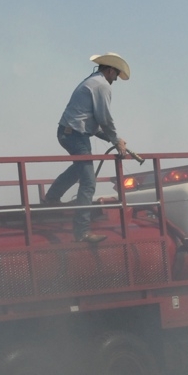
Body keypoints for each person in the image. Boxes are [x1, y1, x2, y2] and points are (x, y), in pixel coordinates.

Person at [43, 52, 131, 243]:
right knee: (89, 182)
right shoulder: (102, 85)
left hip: (68, 132)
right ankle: (82, 231)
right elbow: (104, 119)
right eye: (115, 75)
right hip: (75, 134)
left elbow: (92, 122)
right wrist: (116, 140)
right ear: (110, 70)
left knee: (79, 168)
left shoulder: (92, 81)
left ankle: (51, 198)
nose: (115, 79)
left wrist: (113, 139)